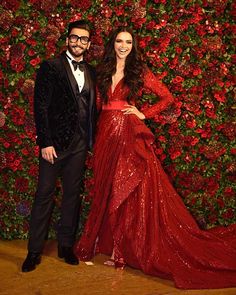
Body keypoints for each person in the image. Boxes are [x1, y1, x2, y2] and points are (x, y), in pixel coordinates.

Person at [75, 27, 236, 289]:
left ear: (133, 45)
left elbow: (167, 97)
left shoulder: (139, 71)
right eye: (119, 41)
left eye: (128, 42)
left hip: (128, 135)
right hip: (105, 133)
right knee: (106, 188)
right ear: (112, 44)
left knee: (123, 190)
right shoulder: (101, 70)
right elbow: (95, 105)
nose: (123, 46)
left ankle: (121, 250)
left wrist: (143, 113)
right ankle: (114, 245)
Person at [22, 20, 96, 272]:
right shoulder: (50, 67)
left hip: (78, 145)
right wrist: (45, 142)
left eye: (83, 39)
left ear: (88, 43)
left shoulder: (91, 71)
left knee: (72, 196)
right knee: (44, 195)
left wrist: (89, 140)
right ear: (67, 40)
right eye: (74, 38)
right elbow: (40, 107)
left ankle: (66, 246)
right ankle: (33, 251)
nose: (78, 42)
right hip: (53, 146)